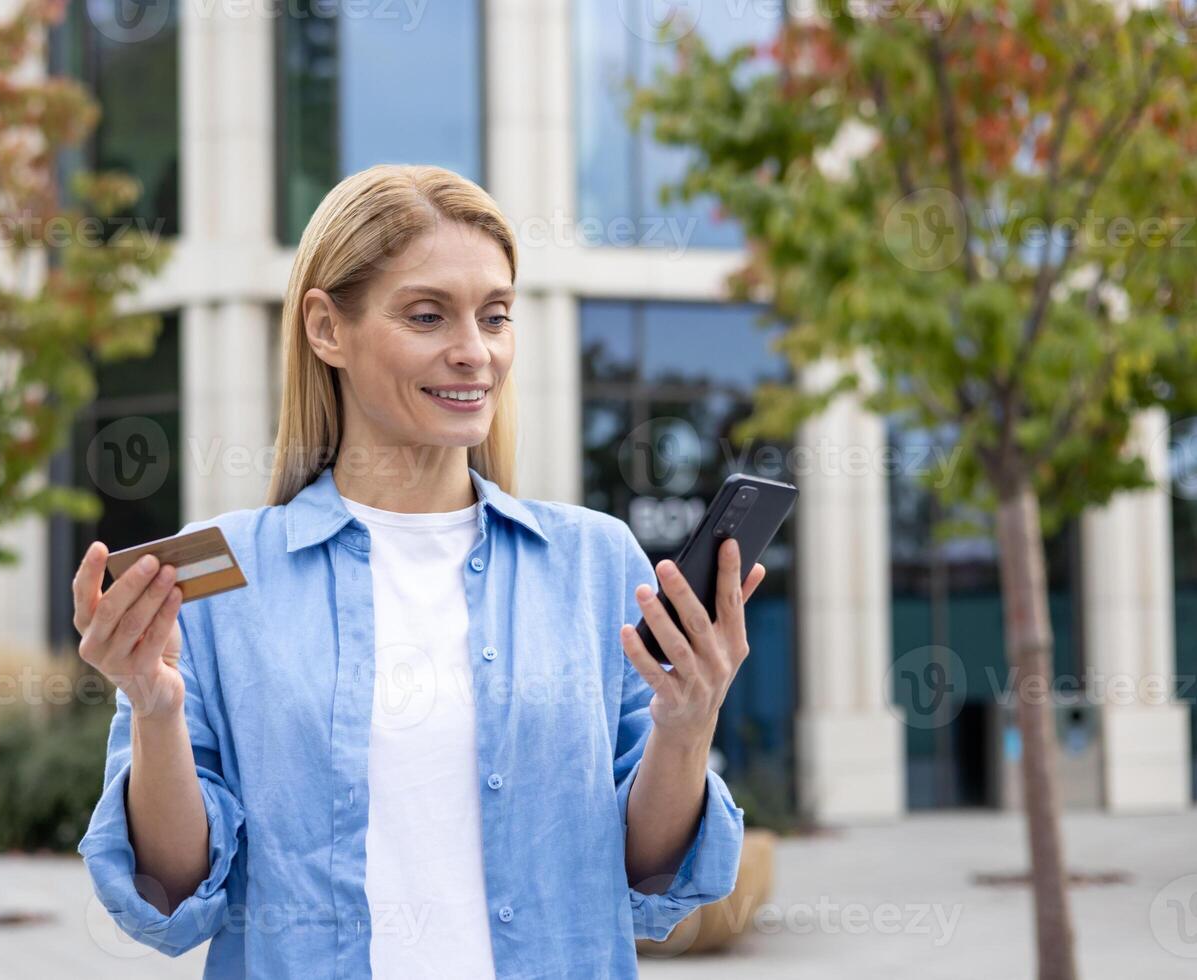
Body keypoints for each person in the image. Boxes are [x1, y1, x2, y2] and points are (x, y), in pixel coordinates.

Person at [73, 163, 765, 978]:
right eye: (427, 315)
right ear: (326, 329)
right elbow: (171, 895)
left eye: (496, 317)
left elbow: (652, 882)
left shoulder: (594, 562)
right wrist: (154, 710)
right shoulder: (223, 578)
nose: (474, 354)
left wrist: (687, 725)